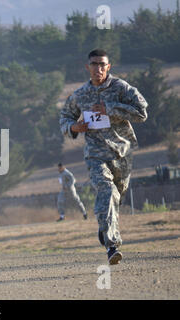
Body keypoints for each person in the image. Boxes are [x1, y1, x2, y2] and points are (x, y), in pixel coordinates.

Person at [59, 49, 148, 265]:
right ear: (87, 67)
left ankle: (104, 226)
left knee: (117, 195)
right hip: (95, 153)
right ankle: (112, 245)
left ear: (108, 67)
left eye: (102, 64)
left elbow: (142, 112)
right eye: (94, 64)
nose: (98, 68)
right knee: (106, 191)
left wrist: (110, 109)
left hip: (121, 153)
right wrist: (73, 126)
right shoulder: (80, 94)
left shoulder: (121, 88)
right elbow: (65, 116)